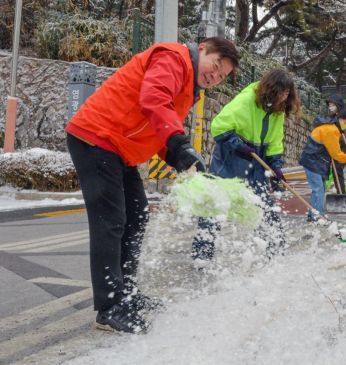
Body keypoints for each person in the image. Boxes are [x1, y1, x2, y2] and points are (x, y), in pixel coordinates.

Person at [65, 37, 240, 333]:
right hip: (95, 137)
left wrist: (180, 158)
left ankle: (126, 295)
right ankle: (109, 307)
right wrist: (180, 143)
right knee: (111, 222)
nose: (215, 76)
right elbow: (154, 99)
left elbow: (159, 129)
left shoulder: (189, 88)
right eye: (216, 65)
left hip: (118, 148)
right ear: (203, 48)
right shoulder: (174, 58)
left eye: (222, 76)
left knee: (137, 215)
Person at [193, 69, 301, 261]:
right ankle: (202, 254)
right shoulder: (246, 101)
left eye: (287, 93)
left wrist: (276, 167)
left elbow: (275, 142)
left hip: (256, 163)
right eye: (281, 92)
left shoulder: (278, 112)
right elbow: (219, 126)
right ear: (271, 89)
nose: (284, 97)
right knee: (215, 206)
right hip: (230, 160)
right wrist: (239, 146)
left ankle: (276, 251)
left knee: (265, 206)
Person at [300, 95, 346, 221]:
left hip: (319, 160)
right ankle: (317, 216)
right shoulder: (330, 126)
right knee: (318, 189)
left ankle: (316, 214)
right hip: (314, 159)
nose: (331, 107)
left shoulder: (335, 126)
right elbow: (335, 152)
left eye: (333, 104)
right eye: (329, 104)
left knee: (321, 188)